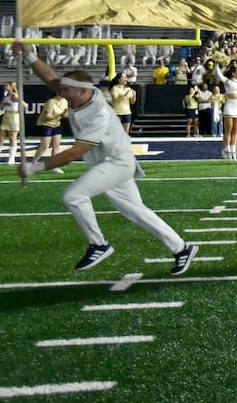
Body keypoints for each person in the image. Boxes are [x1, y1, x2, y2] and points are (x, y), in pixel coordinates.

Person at [13, 41, 199, 276]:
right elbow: (51, 79)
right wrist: (29, 55)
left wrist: (34, 167)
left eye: (66, 91)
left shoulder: (98, 114)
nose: (62, 95)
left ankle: (98, 244)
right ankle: (182, 249)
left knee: (74, 195)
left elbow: (75, 153)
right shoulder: (78, 94)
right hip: (110, 163)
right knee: (136, 212)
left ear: (81, 90)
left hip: (116, 164)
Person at [31, 93, 69, 174]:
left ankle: (54, 166)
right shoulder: (51, 102)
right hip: (45, 124)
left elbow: (65, 115)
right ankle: (33, 164)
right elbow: (48, 116)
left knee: (56, 146)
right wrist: (61, 114)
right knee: (45, 146)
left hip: (56, 124)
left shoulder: (65, 101)